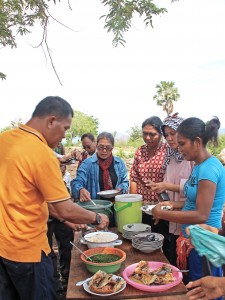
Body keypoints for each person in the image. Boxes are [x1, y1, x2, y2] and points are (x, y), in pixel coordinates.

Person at [0, 96, 109, 300]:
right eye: (66, 128)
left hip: (3, 248)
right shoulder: (42, 153)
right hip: (28, 251)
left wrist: (67, 220)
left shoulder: (4, 140)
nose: (65, 137)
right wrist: (96, 218)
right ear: (51, 121)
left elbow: (29, 199)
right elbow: (63, 208)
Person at [152, 116, 225, 284]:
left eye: (182, 143)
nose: (179, 148)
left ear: (197, 142)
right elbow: (195, 201)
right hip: (193, 241)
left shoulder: (209, 169)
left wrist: (162, 214)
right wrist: (172, 204)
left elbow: (201, 215)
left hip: (205, 245)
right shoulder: (198, 166)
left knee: (202, 291)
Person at [147, 113, 193, 266]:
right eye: (166, 135)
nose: (169, 138)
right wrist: (160, 192)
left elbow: (194, 191)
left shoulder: (191, 159)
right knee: (172, 259)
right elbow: (167, 191)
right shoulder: (171, 158)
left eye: (173, 134)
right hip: (172, 219)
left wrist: (166, 185)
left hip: (189, 221)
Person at [70, 131, 129, 227]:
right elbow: (76, 182)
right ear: (97, 145)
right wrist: (80, 189)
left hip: (116, 209)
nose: (104, 151)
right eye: (101, 147)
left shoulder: (119, 163)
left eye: (108, 148)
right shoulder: (87, 164)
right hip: (96, 210)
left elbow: (125, 181)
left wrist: (121, 187)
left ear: (112, 148)